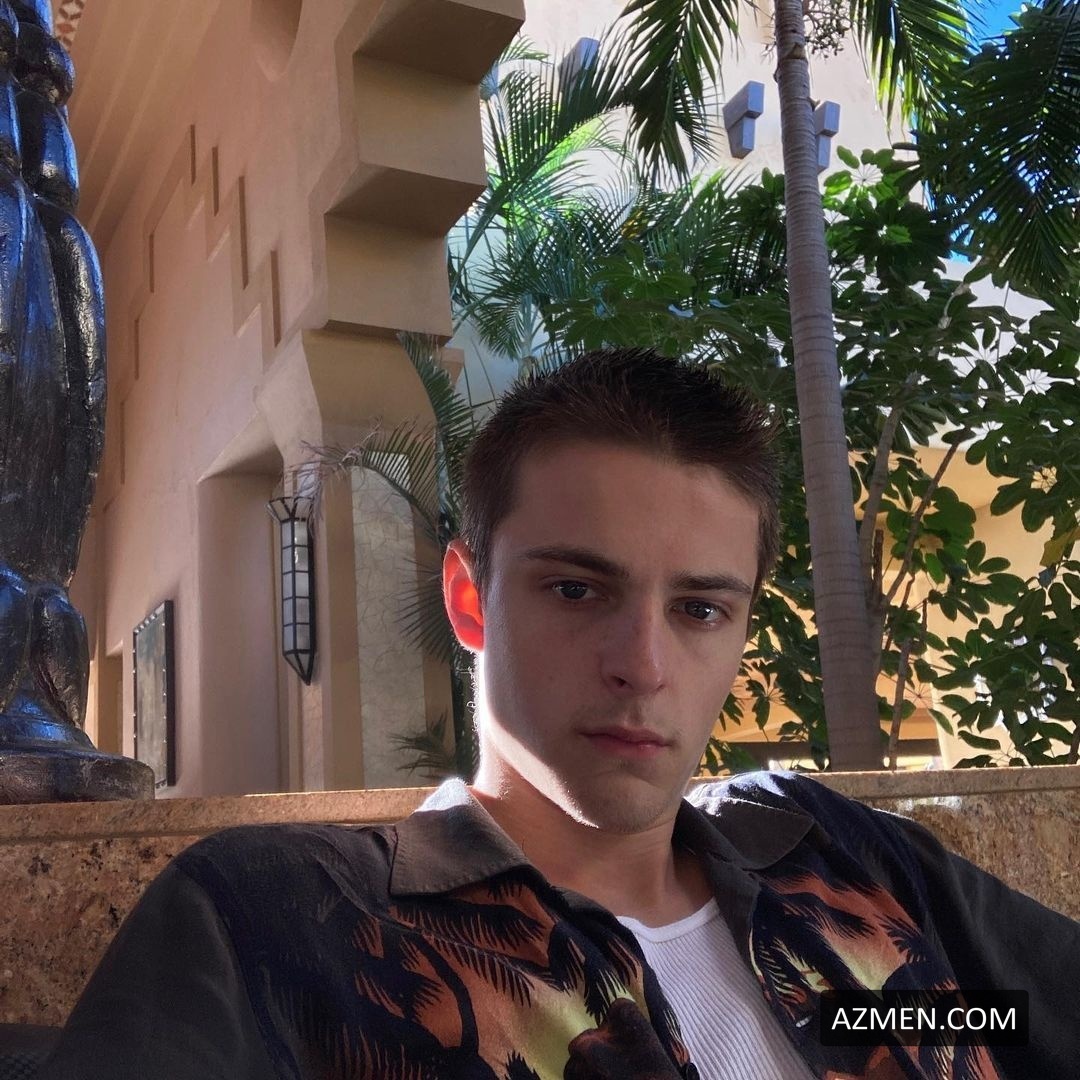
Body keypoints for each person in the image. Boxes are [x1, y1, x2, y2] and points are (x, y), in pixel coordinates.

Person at [42, 349, 1079, 1080]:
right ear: (469, 599)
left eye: (700, 609)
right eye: (577, 590)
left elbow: (1009, 1020)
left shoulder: (845, 861)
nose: (643, 666)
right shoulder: (285, 922)